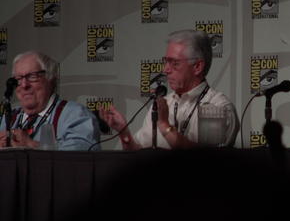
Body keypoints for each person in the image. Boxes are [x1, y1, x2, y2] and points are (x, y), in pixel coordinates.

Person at [99, 29, 239, 150]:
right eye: (166, 61)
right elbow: (138, 155)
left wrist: (164, 125)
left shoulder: (219, 107)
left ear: (197, 67)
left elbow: (208, 160)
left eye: (174, 63)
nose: (165, 69)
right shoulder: (163, 104)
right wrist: (124, 132)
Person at [0, 51, 101, 150]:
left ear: (51, 79)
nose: (24, 85)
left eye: (32, 76)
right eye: (18, 79)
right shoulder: (8, 119)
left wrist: (31, 144)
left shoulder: (75, 114)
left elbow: (81, 155)